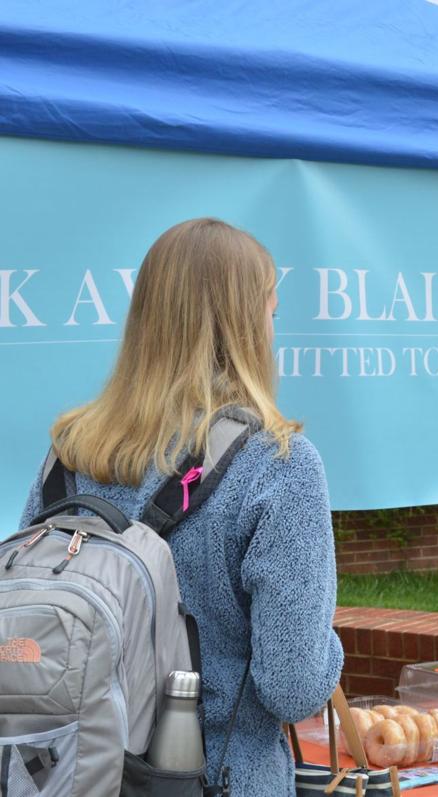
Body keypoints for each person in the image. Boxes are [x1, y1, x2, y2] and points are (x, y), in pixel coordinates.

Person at [20, 218, 344, 796]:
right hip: (217, 779)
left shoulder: (68, 453)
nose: (273, 329)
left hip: (64, 776)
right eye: (271, 312)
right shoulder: (278, 463)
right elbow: (292, 687)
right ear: (246, 325)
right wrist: (326, 641)